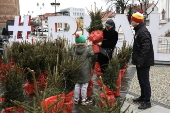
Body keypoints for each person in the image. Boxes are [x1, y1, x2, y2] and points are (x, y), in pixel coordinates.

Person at [131, 11, 154, 109]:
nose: (131, 22)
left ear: (137, 22)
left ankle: (147, 102)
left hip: (143, 62)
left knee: (144, 81)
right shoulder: (139, 30)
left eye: (132, 20)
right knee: (141, 80)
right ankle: (143, 96)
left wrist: (140, 61)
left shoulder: (143, 32)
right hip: (140, 61)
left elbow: (146, 48)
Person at [72, 34, 94, 105]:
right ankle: (84, 99)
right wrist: (90, 45)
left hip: (76, 69)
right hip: (84, 70)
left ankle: (76, 98)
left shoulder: (73, 49)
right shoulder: (87, 49)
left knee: (77, 84)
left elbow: (70, 54)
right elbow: (92, 54)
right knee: (84, 85)